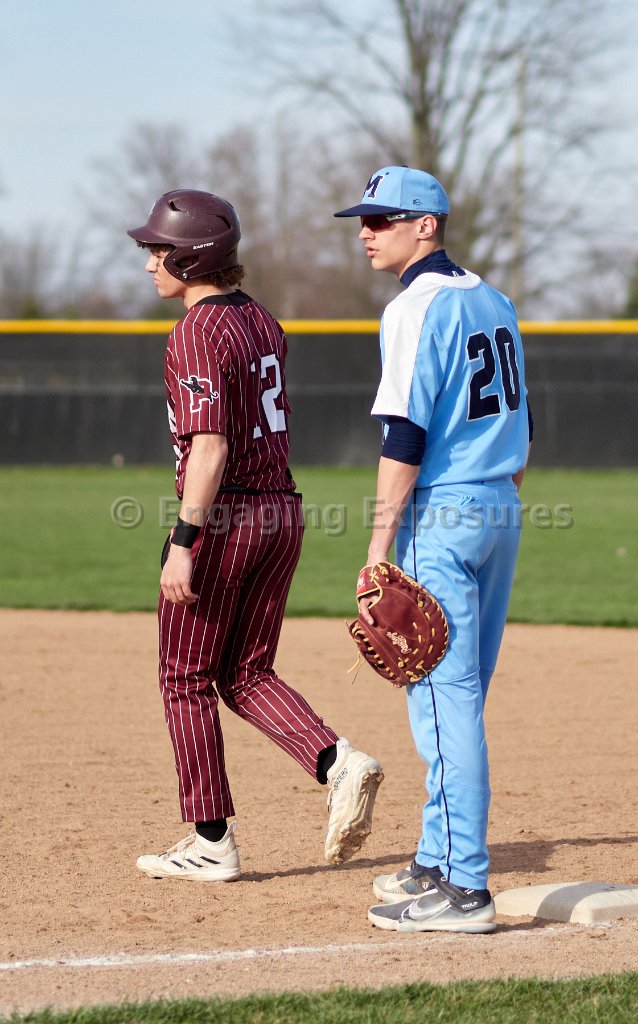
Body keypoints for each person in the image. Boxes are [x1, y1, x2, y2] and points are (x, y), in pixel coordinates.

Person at [128, 189, 383, 881]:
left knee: (184, 679)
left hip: (226, 516)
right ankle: (339, 762)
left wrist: (184, 539)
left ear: (190, 257)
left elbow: (209, 446)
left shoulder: (195, 330)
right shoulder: (260, 320)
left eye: (158, 250)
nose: (149, 263)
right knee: (244, 673)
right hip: (280, 512)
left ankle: (210, 841)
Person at [334, 166, 531, 933]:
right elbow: (521, 426)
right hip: (500, 506)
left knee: (445, 705)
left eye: (382, 218)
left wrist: (378, 546)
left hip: (442, 516)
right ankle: (434, 855)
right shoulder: (494, 300)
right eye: (363, 219)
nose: (366, 232)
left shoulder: (413, 307)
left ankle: (465, 889)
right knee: (460, 698)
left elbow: (405, 436)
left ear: (426, 225)